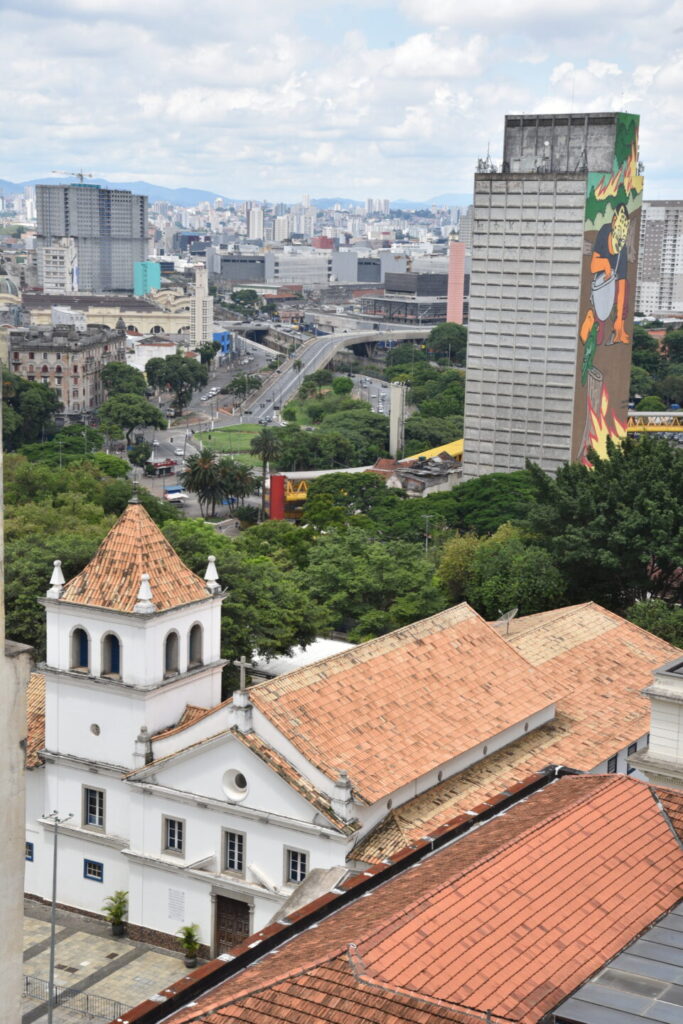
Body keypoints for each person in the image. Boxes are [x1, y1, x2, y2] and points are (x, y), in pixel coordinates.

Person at [580, 203, 631, 349]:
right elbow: (593, 266)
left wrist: (619, 320)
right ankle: (592, 316)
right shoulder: (604, 231)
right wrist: (606, 265)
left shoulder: (622, 249)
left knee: (625, 286)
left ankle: (617, 328)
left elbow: (622, 286)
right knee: (594, 338)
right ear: (614, 220)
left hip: (611, 289)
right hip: (599, 286)